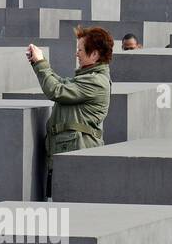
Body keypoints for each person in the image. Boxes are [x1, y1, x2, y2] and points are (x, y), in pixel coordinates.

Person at [26, 26, 113, 199]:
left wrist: (40, 63)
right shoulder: (89, 78)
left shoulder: (95, 82)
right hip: (68, 154)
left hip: (76, 159)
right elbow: (62, 83)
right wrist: (40, 62)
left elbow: (56, 90)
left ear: (94, 54)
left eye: (80, 50)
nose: (77, 54)